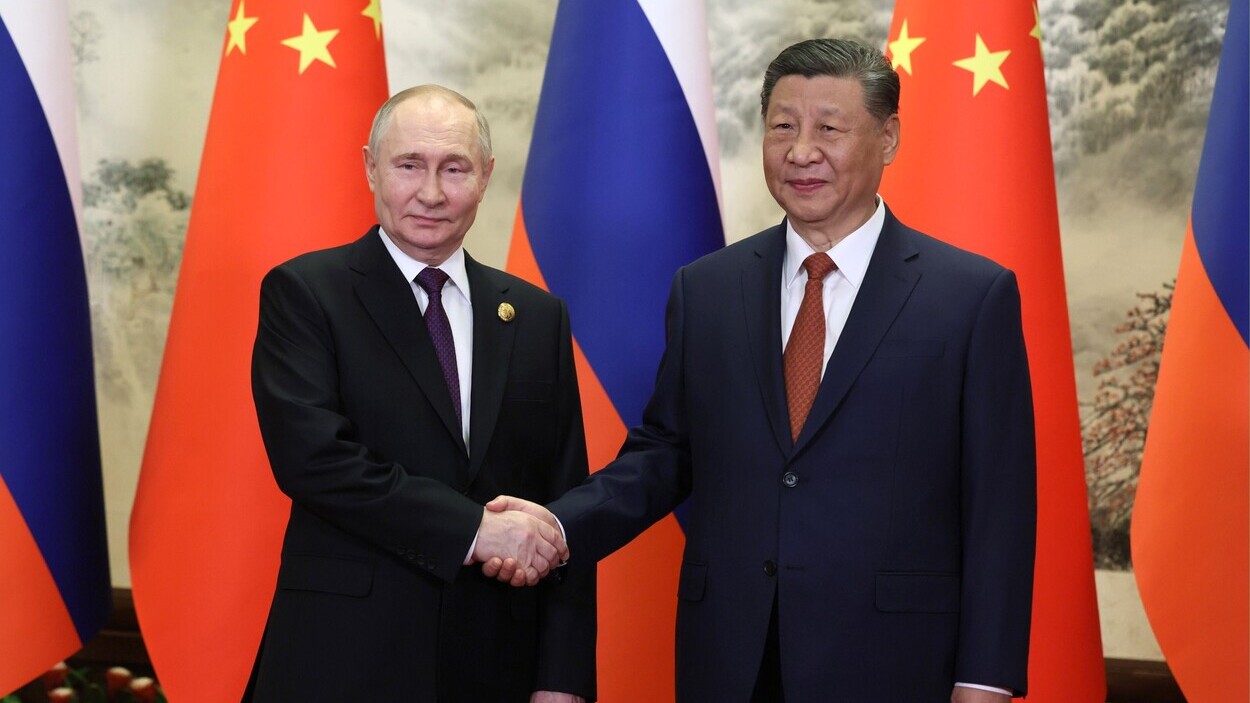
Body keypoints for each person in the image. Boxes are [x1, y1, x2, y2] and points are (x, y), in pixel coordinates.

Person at [487, 39, 1036, 702]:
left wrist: (985, 679)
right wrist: (558, 524)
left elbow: (999, 508)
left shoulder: (970, 296)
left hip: (894, 662)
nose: (802, 151)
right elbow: (664, 455)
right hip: (733, 658)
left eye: (829, 128)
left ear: (888, 136)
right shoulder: (708, 288)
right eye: (783, 126)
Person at [248, 85, 595, 702]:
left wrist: (562, 678)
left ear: (485, 177)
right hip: (343, 659)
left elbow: (562, 505)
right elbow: (314, 461)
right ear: (371, 167)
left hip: (497, 664)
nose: (431, 193)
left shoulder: (537, 316)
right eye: (410, 165)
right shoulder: (307, 293)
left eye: (454, 168)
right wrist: (474, 530)